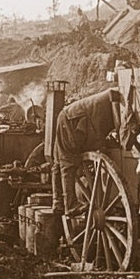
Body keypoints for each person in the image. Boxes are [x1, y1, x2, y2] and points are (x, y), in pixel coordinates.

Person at [52, 87, 119, 218]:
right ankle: (70, 205)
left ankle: (57, 201)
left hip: (71, 118)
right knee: (67, 162)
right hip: (71, 121)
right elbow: (99, 130)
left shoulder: (113, 96)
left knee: (58, 162)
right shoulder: (115, 98)